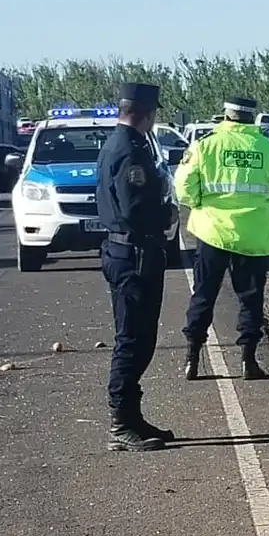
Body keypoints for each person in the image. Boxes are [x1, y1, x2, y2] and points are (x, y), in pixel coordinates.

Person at [176, 96, 269, 381]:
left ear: (225, 114)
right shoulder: (266, 147)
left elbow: (184, 187)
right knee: (251, 298)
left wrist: (200, 204)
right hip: (253, 233)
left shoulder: (206, 144)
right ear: (252, 117)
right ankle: (248, 360)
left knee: (204, 293)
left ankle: (192, 357)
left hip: (213, 231)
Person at [96, 81, 175, 452]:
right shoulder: (129, 149)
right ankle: (121, 423)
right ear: (147, 113)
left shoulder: (121, 143)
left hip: (129, 252)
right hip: (134, 254)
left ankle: (132, 417)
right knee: (133, 340)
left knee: (141, 339)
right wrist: (165, 213)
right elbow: (134, 208)